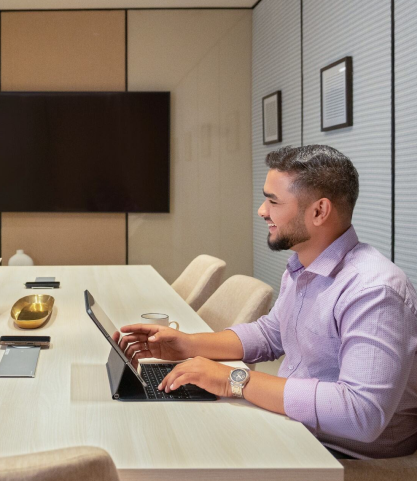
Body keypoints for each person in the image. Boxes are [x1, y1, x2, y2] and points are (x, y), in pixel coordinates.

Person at [118, 145, 417, 460]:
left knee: (170, 452)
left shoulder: (374, 290)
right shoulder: (302, 267)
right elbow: (272, 333)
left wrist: (234, 379)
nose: (262, 211)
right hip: (295, 428)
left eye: (273, 201)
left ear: (319, 211)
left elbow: (361, 413)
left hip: (342, 460)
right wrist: (188, 345)